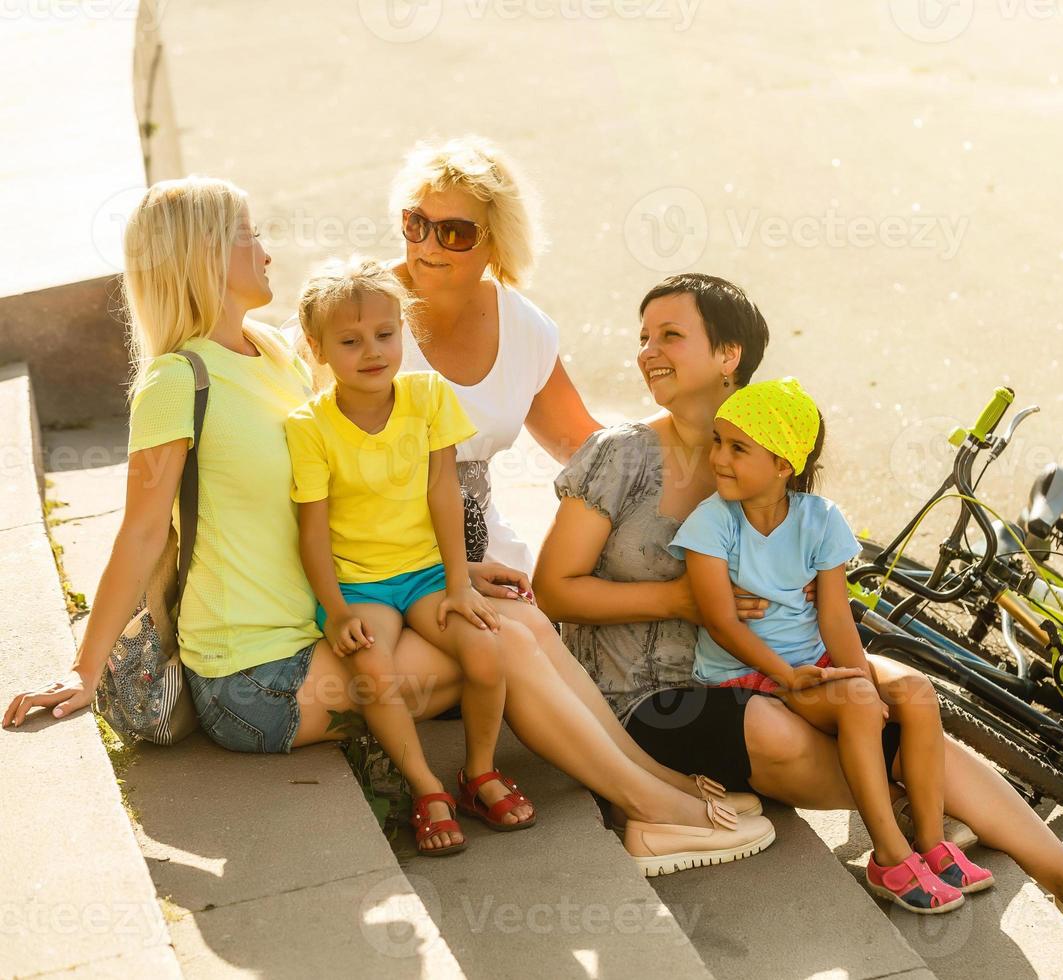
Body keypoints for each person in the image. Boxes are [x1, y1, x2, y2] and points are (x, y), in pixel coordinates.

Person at [2, 178, 775, 878]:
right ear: (204, 254)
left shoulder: (272, 351)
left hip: (319, 628)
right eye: (246, 235)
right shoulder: (177, 382)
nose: (266, 249)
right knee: (503, 639)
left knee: (516, 618)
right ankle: (655, 810)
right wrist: (83, 668)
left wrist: (459, 572)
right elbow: (139, 532)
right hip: (259, 677)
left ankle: (656, 786)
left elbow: (357, 490)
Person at [534, 273, 1063, 957]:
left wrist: (832, 645)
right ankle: (911, 821)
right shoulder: (620, 455)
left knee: (900, 691)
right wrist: (678, 600)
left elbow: (808, 570)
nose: (648, 353)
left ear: (729, 356)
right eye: (644, 338)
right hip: (652, 697)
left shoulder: (764, 449)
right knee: (786, 728)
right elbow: (555, 589)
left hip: (774, 661)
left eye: (670, 336)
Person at [670, 376, 992, 914]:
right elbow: (722, 623)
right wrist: (794, 676)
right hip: (747, 676)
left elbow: (836, 617)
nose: (718, 457)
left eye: (738, 447)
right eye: (717, 442)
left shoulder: (821, 519)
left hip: (811, 666)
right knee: (861, 704)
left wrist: (858, 674)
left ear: (783, 466)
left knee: (914, 692)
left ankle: (932, 844)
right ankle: (889, 859)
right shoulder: (711, 522)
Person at [288, 255, 533, 855]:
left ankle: (477, 773)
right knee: (375, 672)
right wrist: (336, 611)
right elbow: (313, 533)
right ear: (318, 350)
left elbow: (442, 494)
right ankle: (426, 788)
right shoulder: (311, 426)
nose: (372, 351)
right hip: (360, 589)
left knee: (484, 650)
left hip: (427, 575)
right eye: (349, 341)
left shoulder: (426, 396)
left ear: (404, 332)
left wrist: (458, 584)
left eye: (385, 334)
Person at [284, 136, 600, 573]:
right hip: (372, 567)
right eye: (417, 224)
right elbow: (281, 433)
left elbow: (585, 447)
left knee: (538, 637)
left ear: (496, 242)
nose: (428, 246)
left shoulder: (524, 328)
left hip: (481, 555)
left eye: (455, 233)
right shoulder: (353, 312)